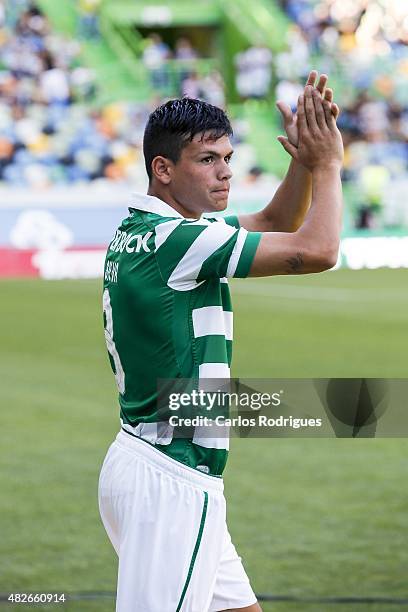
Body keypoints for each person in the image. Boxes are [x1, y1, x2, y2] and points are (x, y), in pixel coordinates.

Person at [98, 71, 343, 611]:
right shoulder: (177, 239)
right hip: (171, 477)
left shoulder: (151, 230)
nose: (226, 171)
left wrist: (301, 162)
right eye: (208, 160)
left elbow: (278, 219)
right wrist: (327, 164)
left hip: (155, 464)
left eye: (228, 157)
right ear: (162, 169)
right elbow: (319, 249)